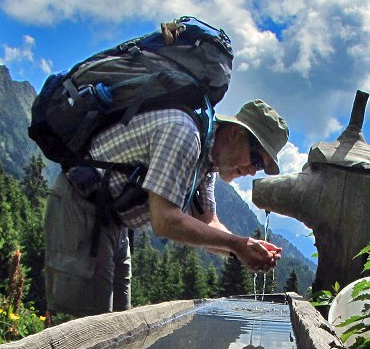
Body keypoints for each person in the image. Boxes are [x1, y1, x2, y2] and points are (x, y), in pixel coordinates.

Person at [44, 99, 288, 317]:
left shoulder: (206, 162)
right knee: (89, 331)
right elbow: (165, 221)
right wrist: (236, 245)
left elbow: (207, 222)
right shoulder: (184, 134)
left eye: (261, 168)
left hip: (115, 222)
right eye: (255, 159)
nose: (253, 171)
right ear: (236, 132)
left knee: (118, 324)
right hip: (81, 208)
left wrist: (243, 249)